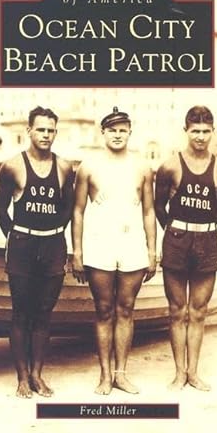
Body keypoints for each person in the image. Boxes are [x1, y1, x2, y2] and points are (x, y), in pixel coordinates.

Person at [72, 106, 156, 395]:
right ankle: (105, 375)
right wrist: (78, 253)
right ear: (103, 132)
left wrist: (152, 251)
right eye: (112, 130)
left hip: (132, 244)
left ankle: (121, 374)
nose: (118, 135)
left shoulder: (142, 167)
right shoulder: (89, 166)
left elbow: (149, 211)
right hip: (99, 244)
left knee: (126, 309)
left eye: (123, 130)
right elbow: (78, 211)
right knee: (104, 309)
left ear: (130, 133)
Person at [0, 106, 74, 398]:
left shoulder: (64, 167)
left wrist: (54, 235)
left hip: (53, 245)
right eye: (41, 129)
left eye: (51, 130)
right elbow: (0, 209)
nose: (46, 135)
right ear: (29, 131)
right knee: (21, 313)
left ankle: (37, 376)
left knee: (43, 314)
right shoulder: (13, 166)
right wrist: (16, 238)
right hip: (23, 246)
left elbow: (68, 208)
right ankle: (21, 378)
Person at [155, 105, 217, 391]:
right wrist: (174, 232)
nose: (200, 137)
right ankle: (178, 373)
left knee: (198, 311)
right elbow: (159, 207)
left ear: (213, 131)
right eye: (195, 131)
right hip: (177, 240)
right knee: (177, 310)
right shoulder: (170, 166)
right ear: (185, 131)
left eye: (206, 131)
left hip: (207, 241)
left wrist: (204, 233)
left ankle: (193, 372)